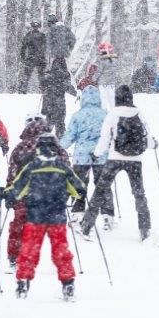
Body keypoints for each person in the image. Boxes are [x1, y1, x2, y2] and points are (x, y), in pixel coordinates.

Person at [0, 132, 87, 301]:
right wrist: (81, 192)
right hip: (57, 216)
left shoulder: (32, 166)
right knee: (60, 250)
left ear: (38, 148)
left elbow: (17, 189)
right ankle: (68, 284)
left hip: (35, 215)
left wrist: (5, 193)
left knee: (29, 249)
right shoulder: (62, 167)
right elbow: (78, 188)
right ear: (56, 148)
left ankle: (23, 282)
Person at [80, 85, 156, 241]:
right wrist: (154, 144)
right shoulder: (139, 114)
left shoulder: (112, 115)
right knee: (139, 194)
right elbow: (147, 139)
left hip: (114, 158)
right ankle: (144, 228)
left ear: (117, 98)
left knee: (100, 190)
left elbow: (104, 140)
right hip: (135, 160)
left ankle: (86, 225)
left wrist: (95, 154)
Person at [4, 115, 67, 273]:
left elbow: (12, 172)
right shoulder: (56, 148)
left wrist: (10, 190)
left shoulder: (20, 147)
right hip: (52, 196)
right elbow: (66, 169)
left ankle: (14, 256)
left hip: (25, 195)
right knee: (56, 232)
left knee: (19, 225)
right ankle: (63, 264)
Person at [60, 86, 113, 226]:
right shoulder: (105, 115)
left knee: (79, 184)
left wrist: (58, 148)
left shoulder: (78, 115)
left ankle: (78, 213)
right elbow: (111, 135)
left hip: (81, 156)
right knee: (103, 185)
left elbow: (70, 136)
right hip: (101, 155)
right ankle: (107, 214)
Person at [77, 42, 119, 109]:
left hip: (103, 82)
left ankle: (104, 110)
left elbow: (99, 71)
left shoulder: (102, 61)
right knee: (111, 98)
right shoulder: (114, 60)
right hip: (111, 82)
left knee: (103, 99)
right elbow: (115, 71)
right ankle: (113, 110)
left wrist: (95, 78)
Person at [41, 59, 76, 138]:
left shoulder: (48, 74)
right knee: (60, 125)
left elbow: (42, 84)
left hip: (49, 103)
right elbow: (68, 87)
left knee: (48, 123)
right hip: (59, 104)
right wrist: (75, 92)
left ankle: (43, 142)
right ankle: (60, 145)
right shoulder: (65, 75)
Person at [17, 20, 47, 93]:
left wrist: (23, 57)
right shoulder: (43, 36)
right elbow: (46, 47)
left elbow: (23, 47)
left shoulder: (29, 35)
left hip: (31, 57)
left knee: (26, 75)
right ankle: (44, 90)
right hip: (40, 58)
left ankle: (22, 90)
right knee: (41, 75)